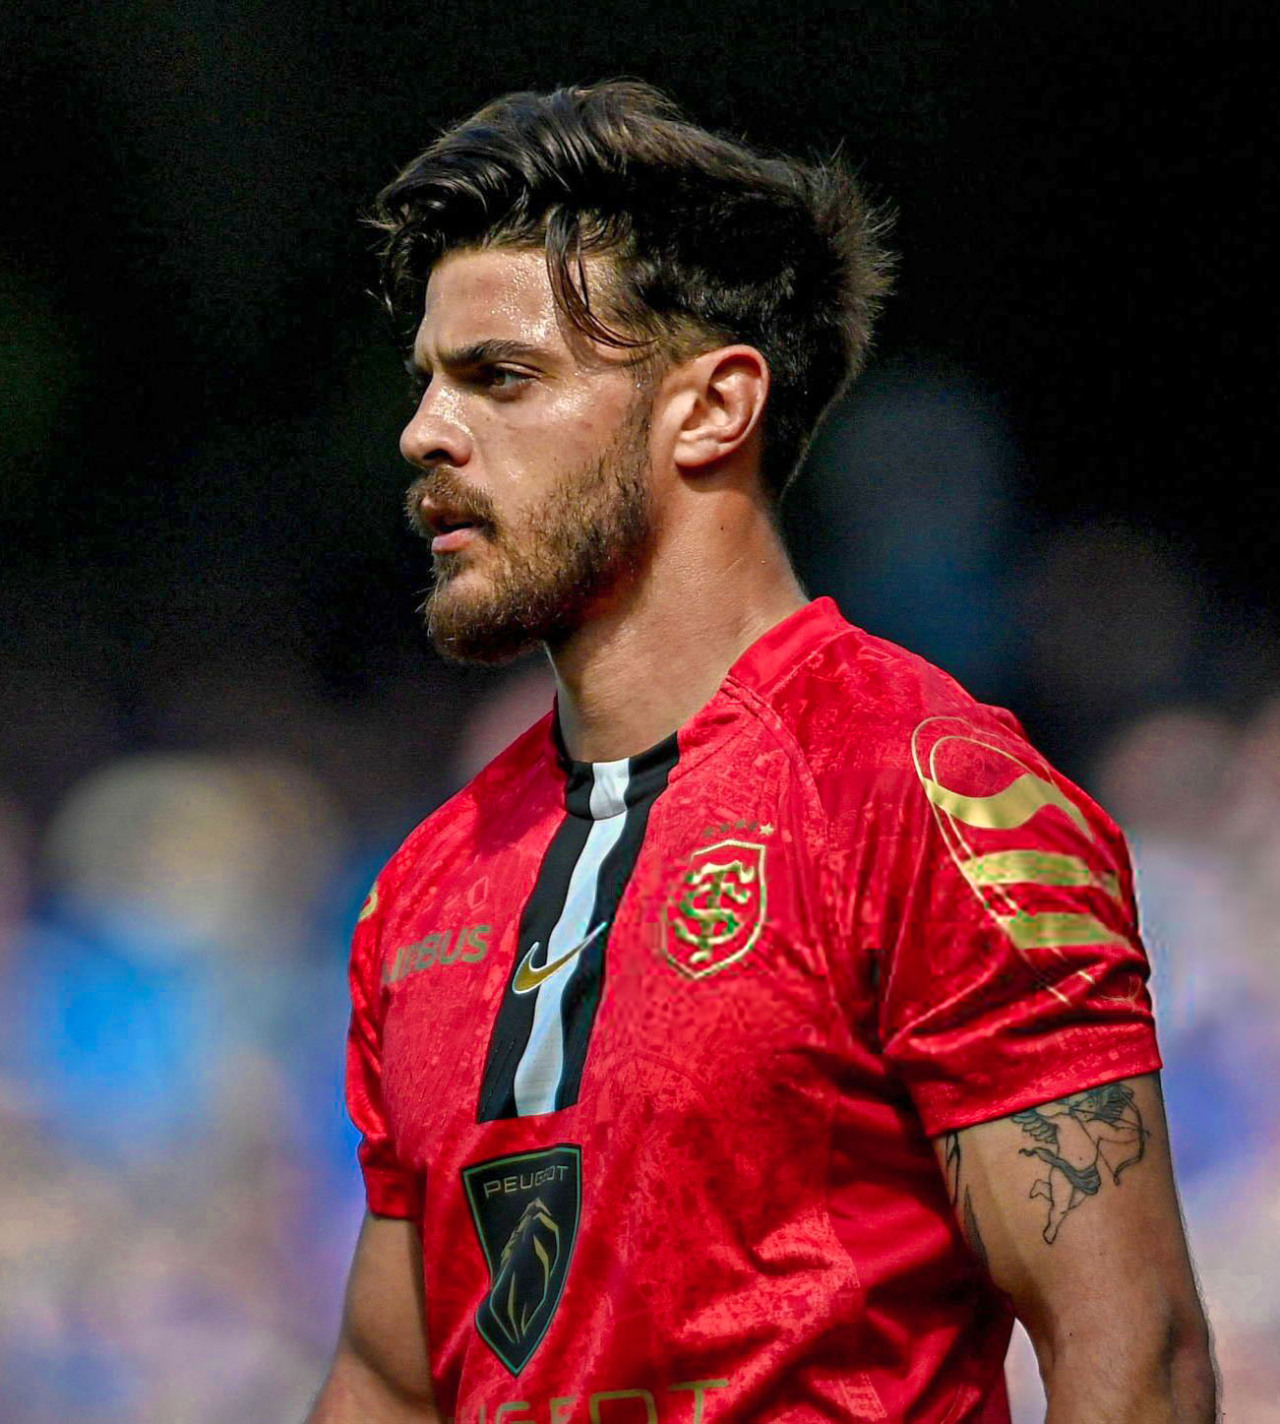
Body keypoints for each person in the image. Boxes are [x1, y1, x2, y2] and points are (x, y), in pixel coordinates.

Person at [307, 81, 1216, 1422]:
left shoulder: (924, 792)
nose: (426, 432)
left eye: (500, 377)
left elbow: (1131, 1356)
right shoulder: (427, 886)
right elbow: (390, 1379)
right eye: (428, 381)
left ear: (711, 408)